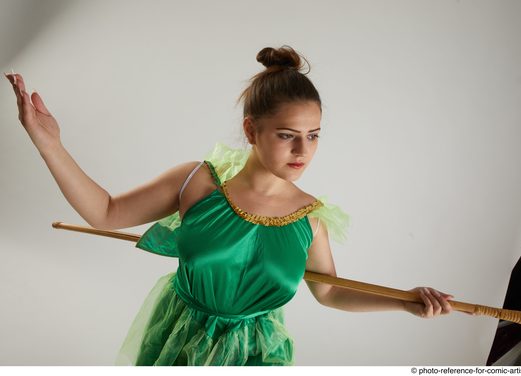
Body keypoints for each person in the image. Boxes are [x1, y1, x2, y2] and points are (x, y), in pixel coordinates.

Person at [5, 45, 455, 366]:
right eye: (287, 134)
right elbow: (104, 213)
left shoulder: (310, 219)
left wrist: (406, 304)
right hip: (178, 346)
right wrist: (49, 144)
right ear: (251, 130)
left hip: (259, 357)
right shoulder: (197, 182)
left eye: (314, 135)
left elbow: (331, 291)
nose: (303, 150)